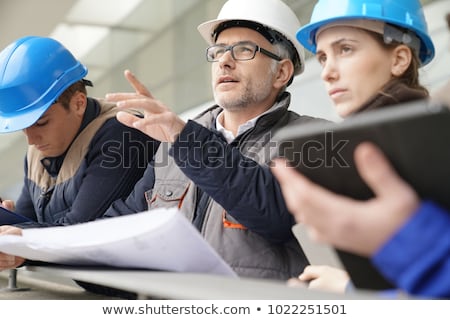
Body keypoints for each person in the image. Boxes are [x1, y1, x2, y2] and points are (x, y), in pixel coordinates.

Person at [0, 0, 327, 279]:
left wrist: (183, 137)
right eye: (218, 51)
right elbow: (114, 228)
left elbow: (275, 214)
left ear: (282, 73)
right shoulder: (172, 147)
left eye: (243, 51)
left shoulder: (313, 139)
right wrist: (28, 246)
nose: (224, 61)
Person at [272, 0, 449, 298]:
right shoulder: (362, 144)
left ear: (399, 59)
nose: (327, 73)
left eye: (346, 49)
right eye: (323, 57)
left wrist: (350, 290)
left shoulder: (435, 139)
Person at [0, 36, 158, 226]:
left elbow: (79, 230)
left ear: (78, 103)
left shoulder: (122, 134)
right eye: (24, 127)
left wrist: (19, 234)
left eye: (41, 123)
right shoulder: (37, 153)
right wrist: (8, 223)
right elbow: (28, 223)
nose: (31, 140)